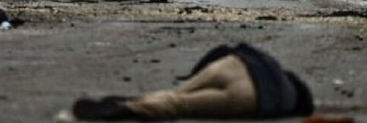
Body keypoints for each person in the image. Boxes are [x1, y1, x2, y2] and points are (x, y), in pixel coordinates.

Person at [72, 43, 314, 120]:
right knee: (181, 105)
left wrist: (194, 74)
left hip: (233, 65)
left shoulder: (272, 64)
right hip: (250, 95)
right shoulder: (286, 101)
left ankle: (154, 97)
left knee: (179, 92)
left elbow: (224, 49)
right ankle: (131, 107)